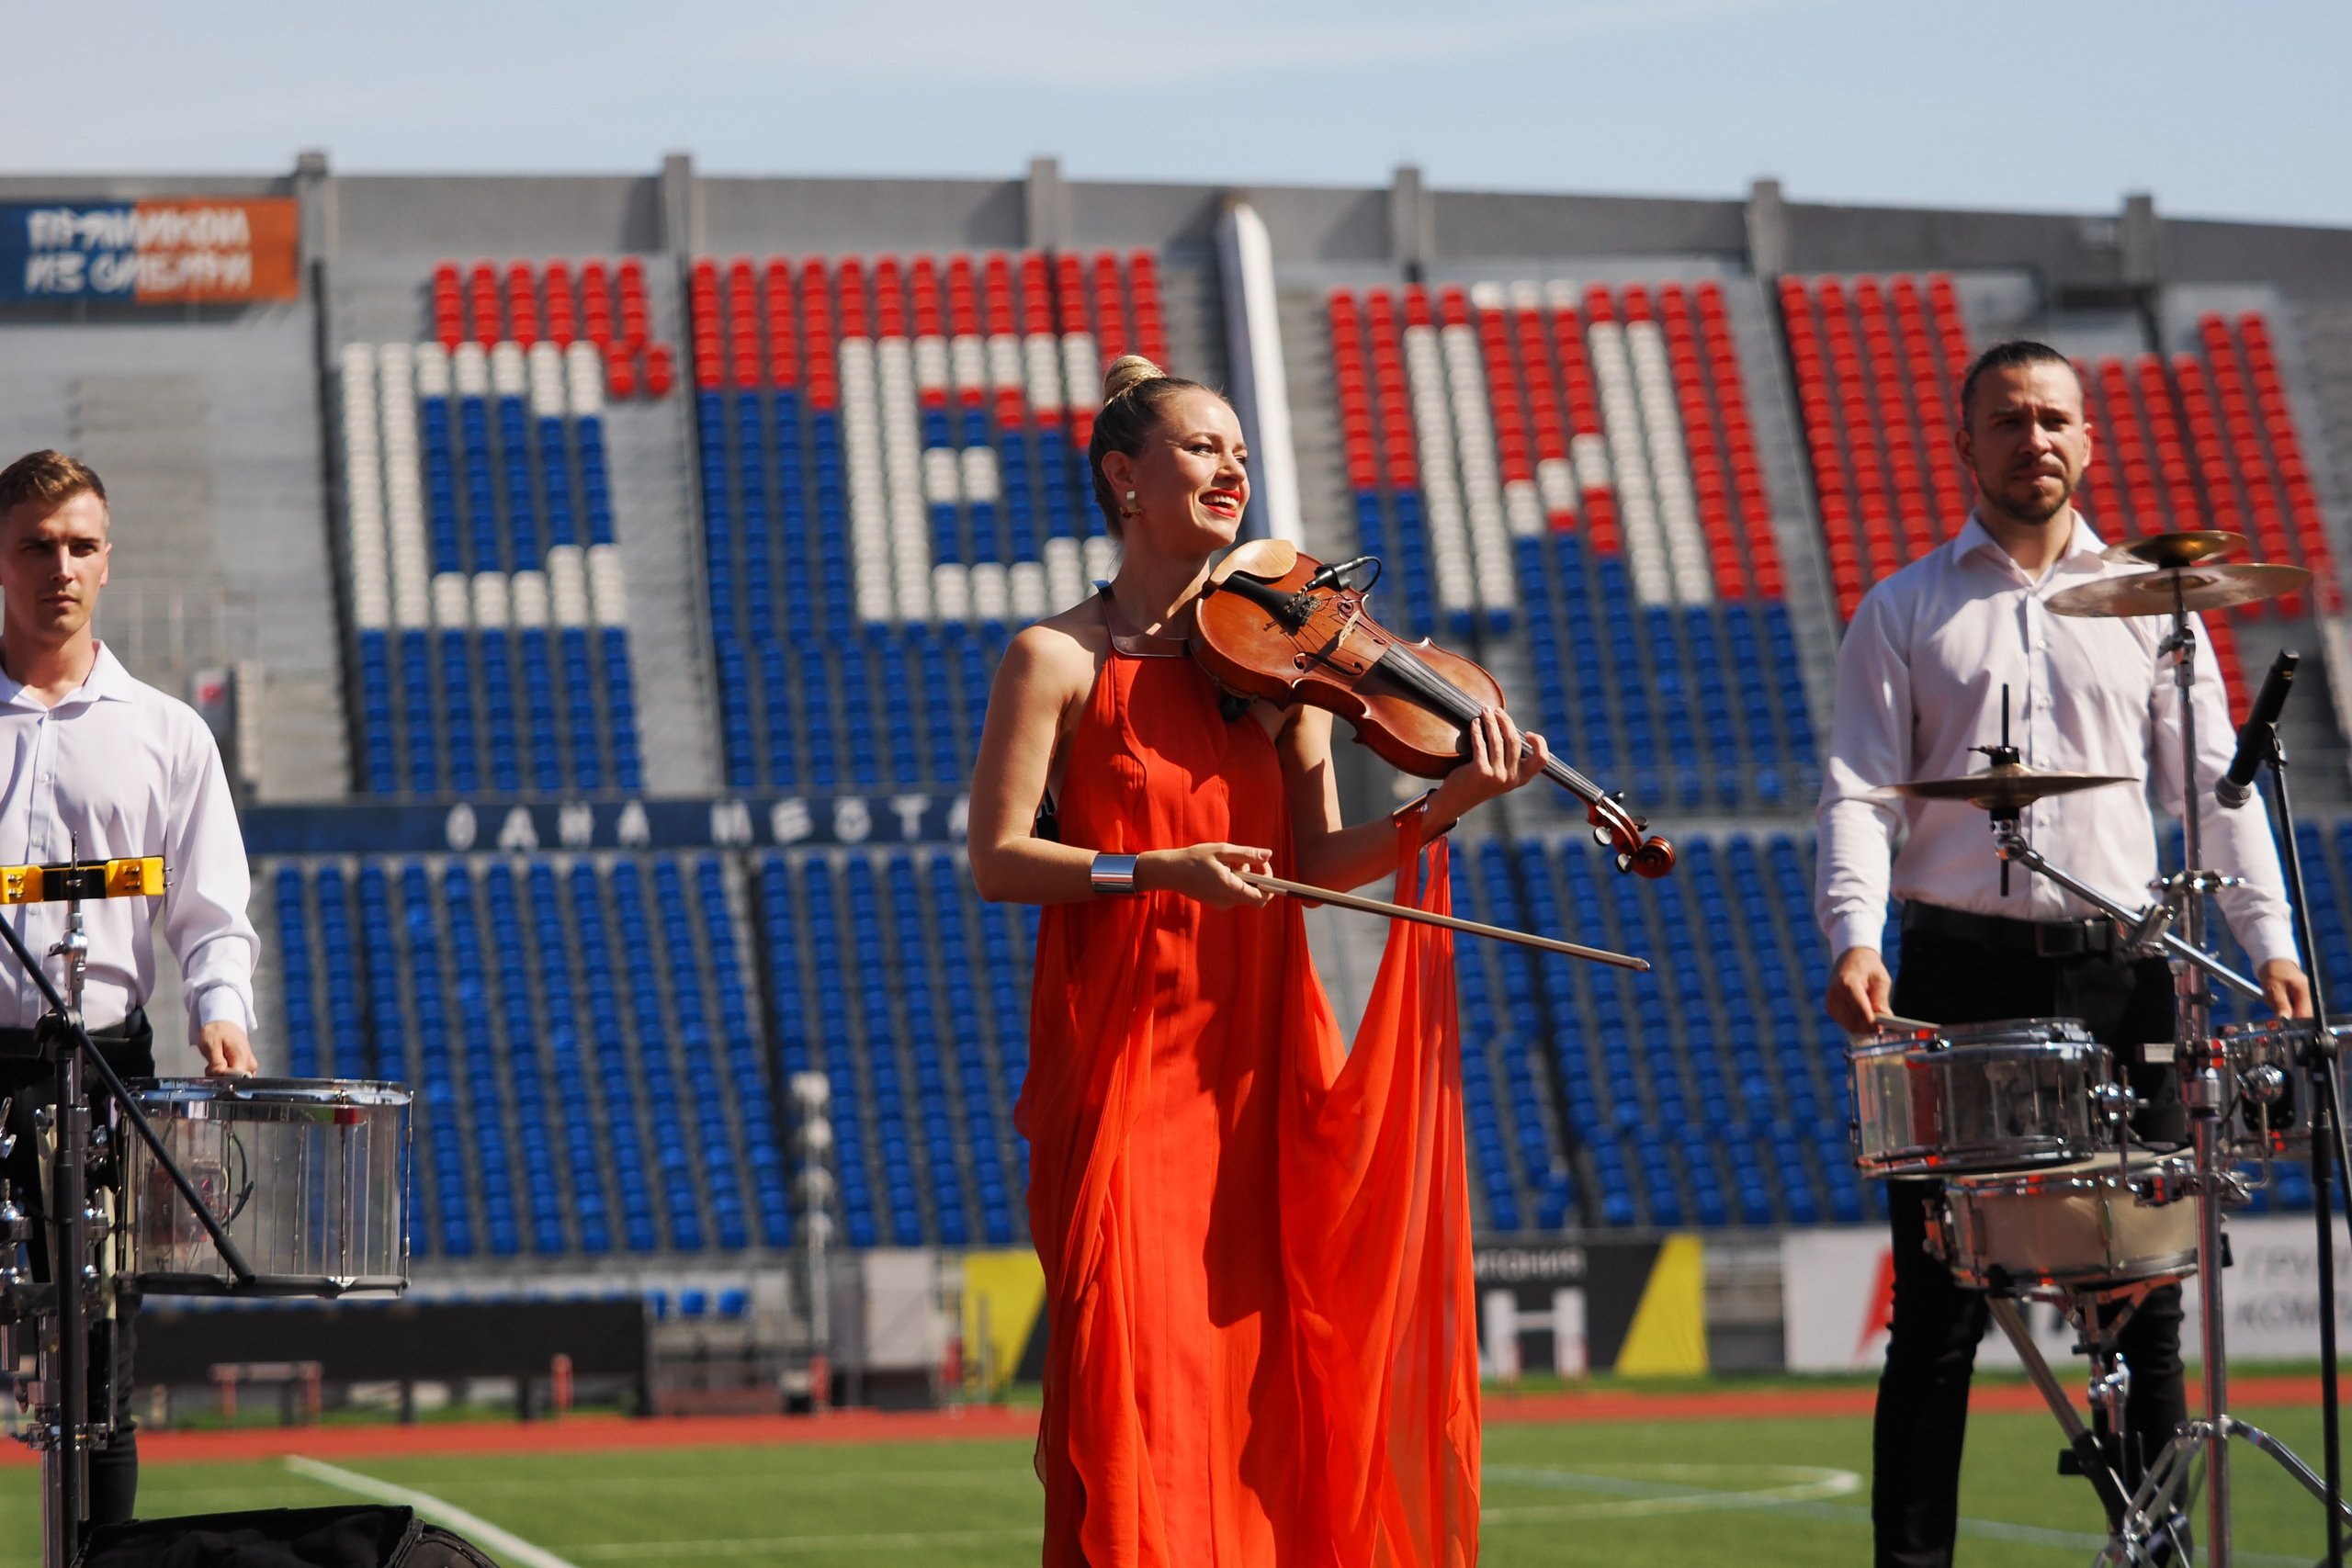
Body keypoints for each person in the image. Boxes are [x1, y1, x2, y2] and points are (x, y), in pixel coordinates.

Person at [967, 355, 1548, 1565]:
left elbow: (1318, 858)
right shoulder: (1056, 658)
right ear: (1124, 477)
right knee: (1130, 1395)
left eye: (1238, 450)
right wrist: (1152, 869)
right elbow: (999, 857)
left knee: (1259, 1399)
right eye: (1200, 447)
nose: (1232, 469)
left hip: (1256, 1078)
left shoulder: (1282, 673)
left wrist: (1446, 806)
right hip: (1127, 1080)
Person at [1815, 342, 2311, 1568]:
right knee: (1935, 1312)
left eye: (2054, 420)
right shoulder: (1906, 606)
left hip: (2123, 969)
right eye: (2006, 419)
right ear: (1963, 440)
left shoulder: (2156, 606)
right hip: (1954, 973)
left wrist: (2270, 938)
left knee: (2146, 1299)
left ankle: (2159, 1547)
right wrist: (1852, 936)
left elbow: (2216, 788)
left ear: (2088, 440)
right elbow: (1859, 792)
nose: (2033, 439)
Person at [0, 449, 260, 1526]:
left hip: (109, 1069)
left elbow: (209, 909)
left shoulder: (168, 734)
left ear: (108, 562)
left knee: (102, 1372)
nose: (60, 566)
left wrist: (223, 1012)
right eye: (36, 546)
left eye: (81, 546)